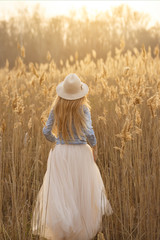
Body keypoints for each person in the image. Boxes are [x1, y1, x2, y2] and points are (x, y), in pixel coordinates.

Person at [31, 73, 113, 240]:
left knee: (62, 195)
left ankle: (64, 231)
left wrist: (57, 142)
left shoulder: (57, 107)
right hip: (81, 154)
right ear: (80, 93)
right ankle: (79, 232)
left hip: (60, 154)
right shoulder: (83, 108)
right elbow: (89, 132)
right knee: (80, 194)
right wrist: (94, 147)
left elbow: (46, 132)